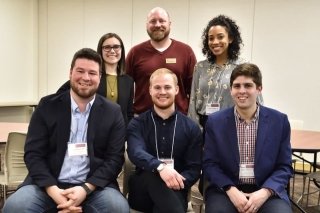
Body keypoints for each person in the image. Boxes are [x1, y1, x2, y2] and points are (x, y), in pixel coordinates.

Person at [3, 48, 129, 213]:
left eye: (92, 73)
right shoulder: (47, 106)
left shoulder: (113, 112)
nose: (85, 77)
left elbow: (114, 160)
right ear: (70, 73)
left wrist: (85, 189)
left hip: (94, 188)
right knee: (15, 207)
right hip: (47, 186)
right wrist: (54, 191)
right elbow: (33, 154)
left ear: (100, 77)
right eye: (80, 71)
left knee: (117, 208)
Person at [203, 63, 293, 213]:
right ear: (231, 90)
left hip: (266, 189)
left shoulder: (279, 121)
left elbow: (284, 166)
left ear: (259, 89)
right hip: (226, 189)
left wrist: (265, 192)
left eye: (248, 85)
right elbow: (210, 164)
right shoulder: (215, 122)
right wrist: (231, 190)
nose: (242, 91)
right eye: (237, 86)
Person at [126, 68, 202, 212]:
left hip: (176, 189)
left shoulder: (191, 127)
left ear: (176, 89)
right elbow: (135, 152)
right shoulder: (137, 124)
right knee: (153, 175)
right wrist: (161, 168)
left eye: (167, 87)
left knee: (165, 202)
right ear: (150, 90)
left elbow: (194, 168)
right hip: (142, 192)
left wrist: (174, 181)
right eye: (157, 87)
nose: (162, 92)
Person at [126, 7, 197, 115]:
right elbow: (126, 89)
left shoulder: (186, 52)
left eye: (162, 21)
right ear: (147, 25)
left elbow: (194, 91)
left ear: (169, 24)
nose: (158, 25)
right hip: (142, 120)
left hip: (178, 120)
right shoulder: (135, 53)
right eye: (153, 21)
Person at [189, 15, 253, 130]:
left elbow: (255, 99)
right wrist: (195, 129)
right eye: (211, 38)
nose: (215, 42)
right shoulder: (200, 67)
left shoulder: (243, 67)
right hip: (204, 125)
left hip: (232, 124)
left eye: (220, 37)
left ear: (230, 38)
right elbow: (193, 100)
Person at [58, 33, 134, 125]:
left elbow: (129, 113)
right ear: (100, 50)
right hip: (92, 130)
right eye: (107, 47)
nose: (112, 51)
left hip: (118, 133)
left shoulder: (128, 81)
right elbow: (60, 96)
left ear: (121, 50)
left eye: (116, 47)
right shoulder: (92, 76)